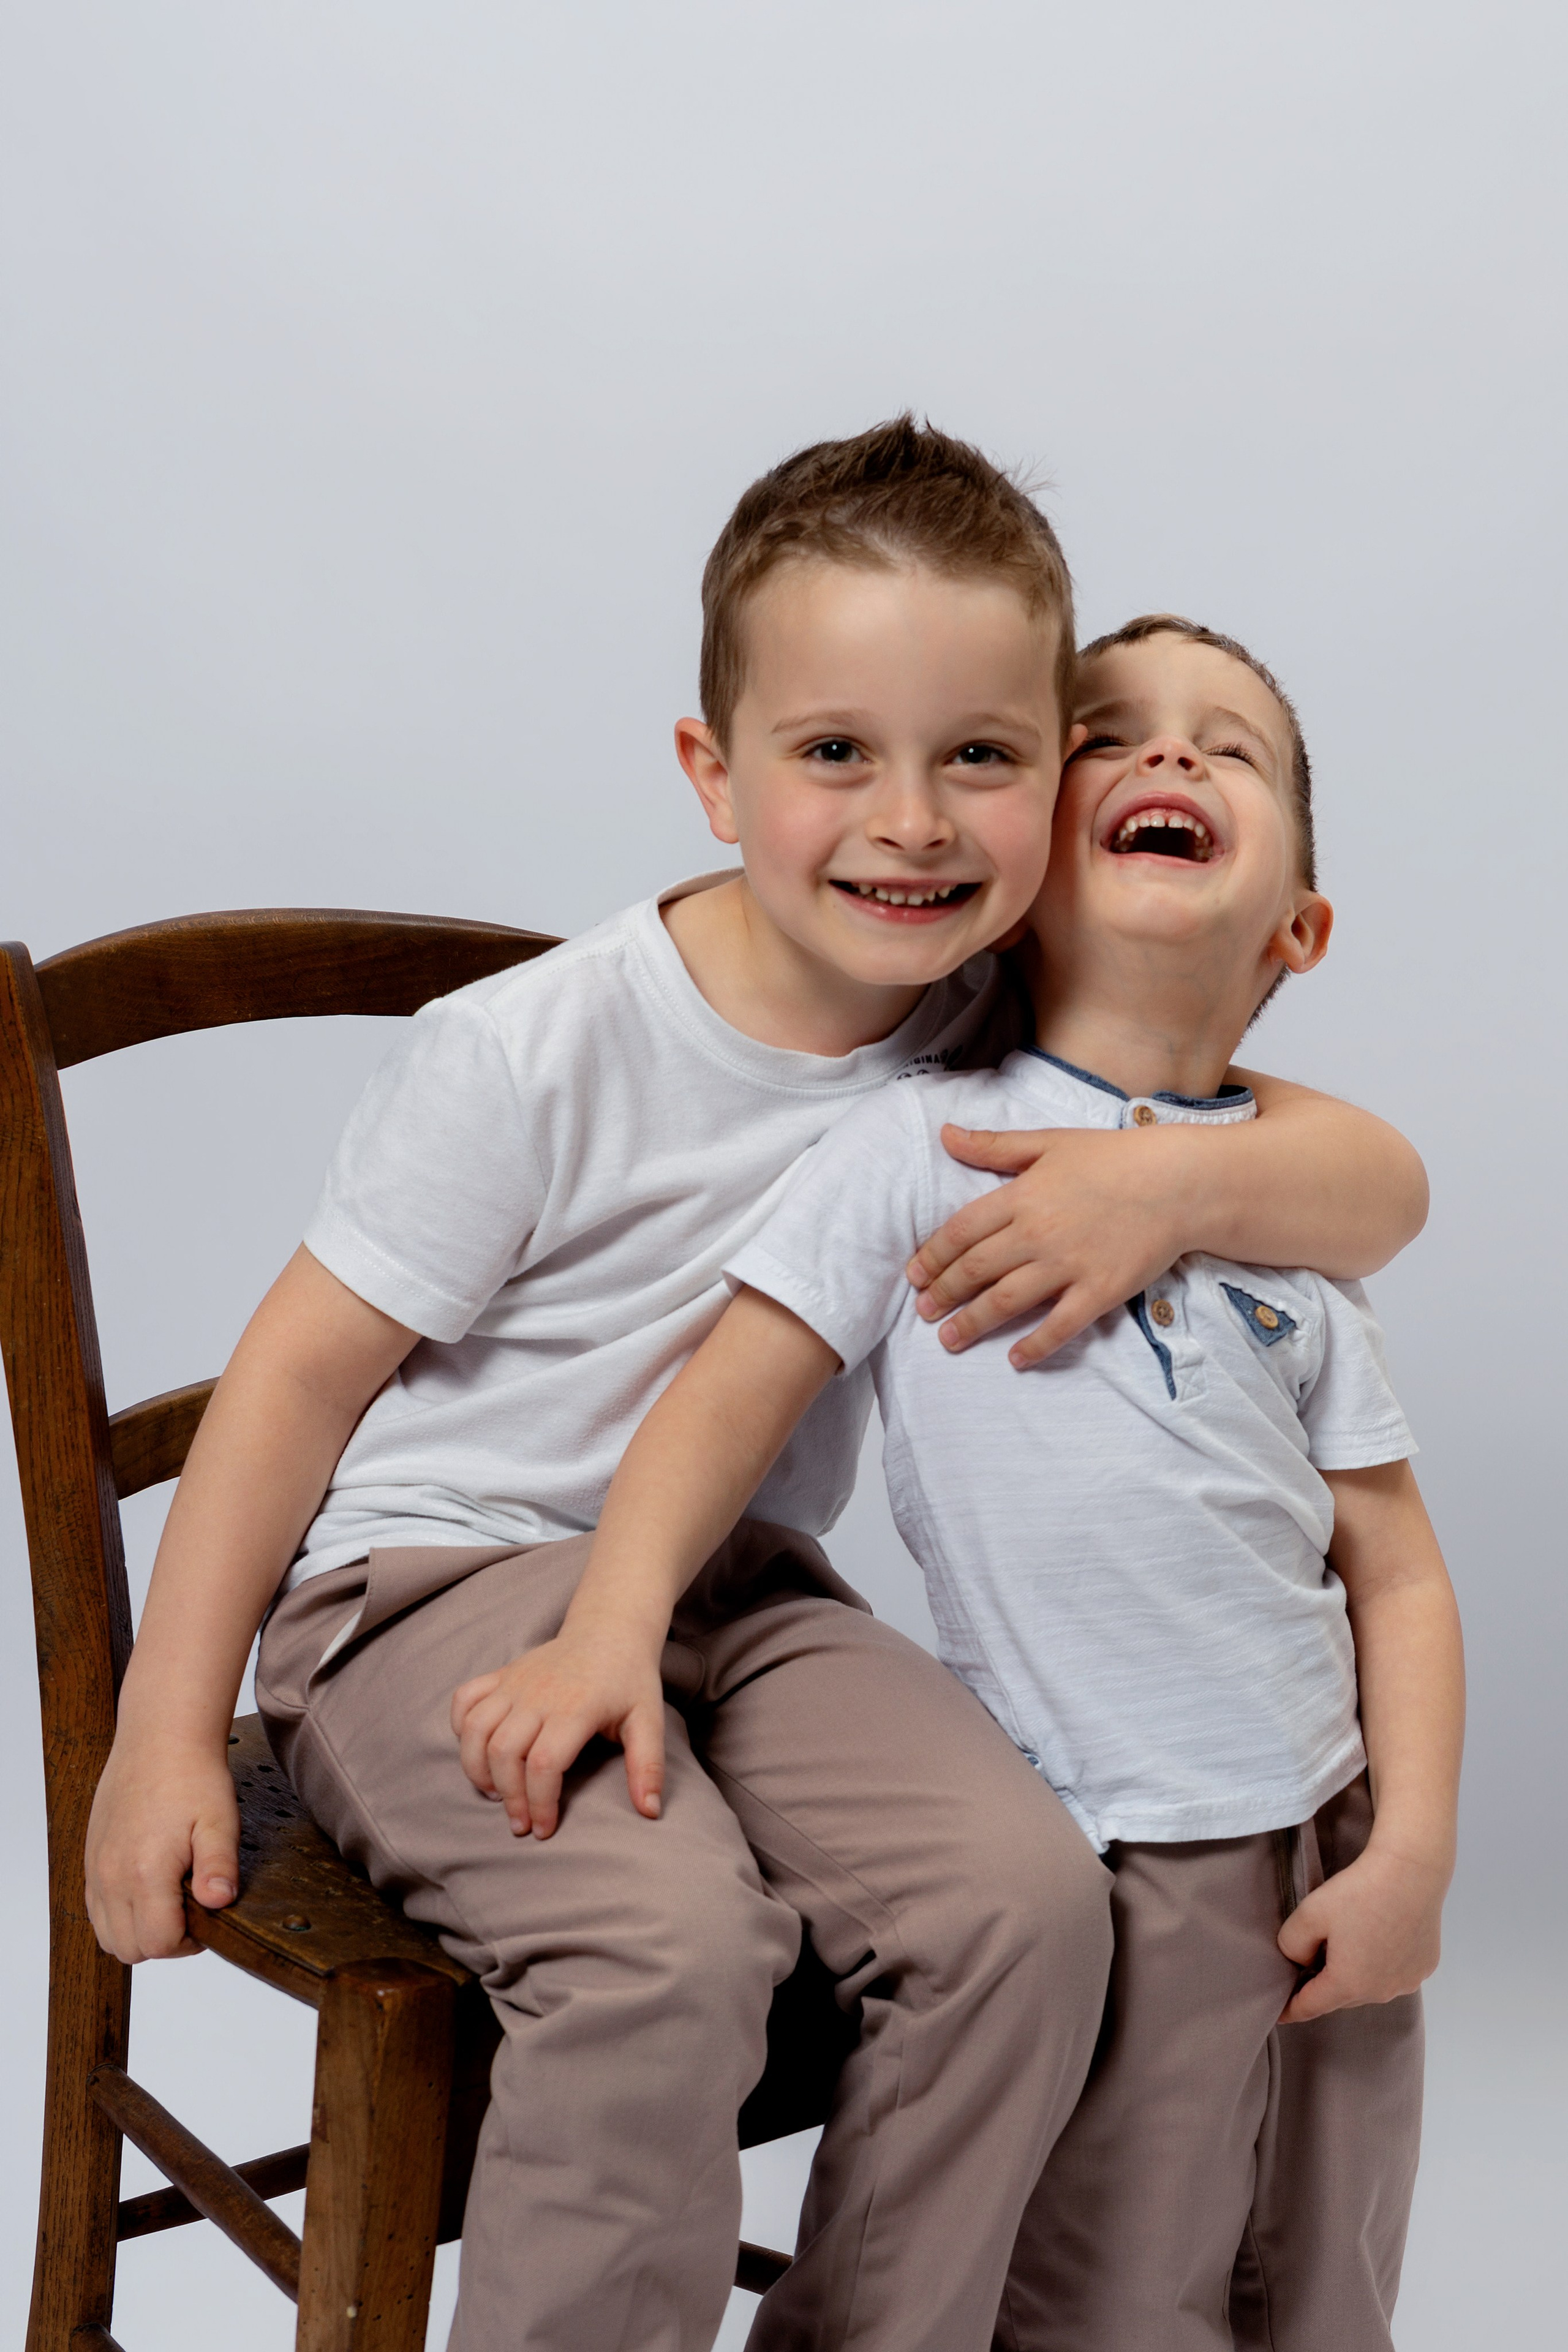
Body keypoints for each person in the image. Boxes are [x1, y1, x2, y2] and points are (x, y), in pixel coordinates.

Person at [84, 422, 1429, 2352]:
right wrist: (158, 1738)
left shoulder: (987, 1026)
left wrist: (1179, 1178)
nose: (913, 822)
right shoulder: (534, 1052)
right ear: (715, 777)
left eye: (980, 754)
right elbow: (292, 1386)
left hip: (742, 1591)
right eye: (835, 754)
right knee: (670, 1951)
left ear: (1056, 789)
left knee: (1027, 1909)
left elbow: (1381, 1190)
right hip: (429, 1590)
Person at [494, 614, 1461, 2350]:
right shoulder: (914, 1146)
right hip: (1116, 1841)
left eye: (1225, 747)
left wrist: (1419, 1851)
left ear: (1297, 929)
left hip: (1332, 1822)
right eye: (1114, 734)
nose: (1171, 757)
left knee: (1330, 2277)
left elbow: (1395, 1568)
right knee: (1114, 2285)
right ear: (1018, 884)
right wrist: (612, 1627)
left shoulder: (1288, 1219)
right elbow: (719, 1406)